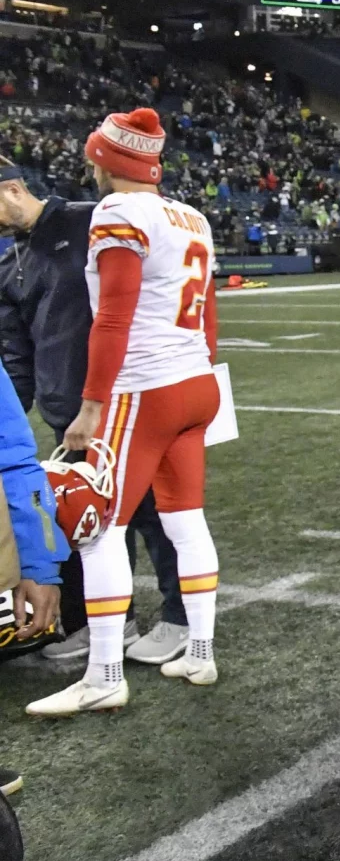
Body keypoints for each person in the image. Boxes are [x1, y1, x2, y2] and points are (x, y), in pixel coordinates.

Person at [27, 109, 222, 716]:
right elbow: (209, 318)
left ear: (105, 160)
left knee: (100, 527)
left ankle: (105, 673)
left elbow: (112, 316)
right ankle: (200, 649)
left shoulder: (117, 213)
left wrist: (91, 405)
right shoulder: (192, 215)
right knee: (185, 520)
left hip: (146, 388)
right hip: (195, 381)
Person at [0, 158, 188, 666]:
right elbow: (16, 353)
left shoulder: (94, 218)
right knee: (88, 521)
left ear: (13, 188)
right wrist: (11, 422)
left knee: (154, 512)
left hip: (127, 400)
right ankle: (111, 620)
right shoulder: (5, 263)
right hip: (70, 413)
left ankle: (181, 618)